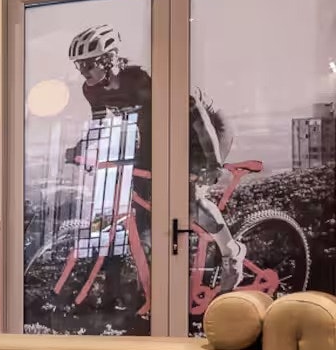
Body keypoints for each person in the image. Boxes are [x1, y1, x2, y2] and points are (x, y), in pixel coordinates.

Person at [64, 25, 246, 314]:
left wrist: (212, 163)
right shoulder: (92, 90)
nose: (83, 71)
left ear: (109, 59)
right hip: (160, 130)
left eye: (89, 63)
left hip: (204, 126)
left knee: (189, 199)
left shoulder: (145, 77)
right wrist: (80, 149)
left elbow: (198, 117)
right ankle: (156, 283)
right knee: (143, 202)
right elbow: (100, 125)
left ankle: (231, 254)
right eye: (79, 65)